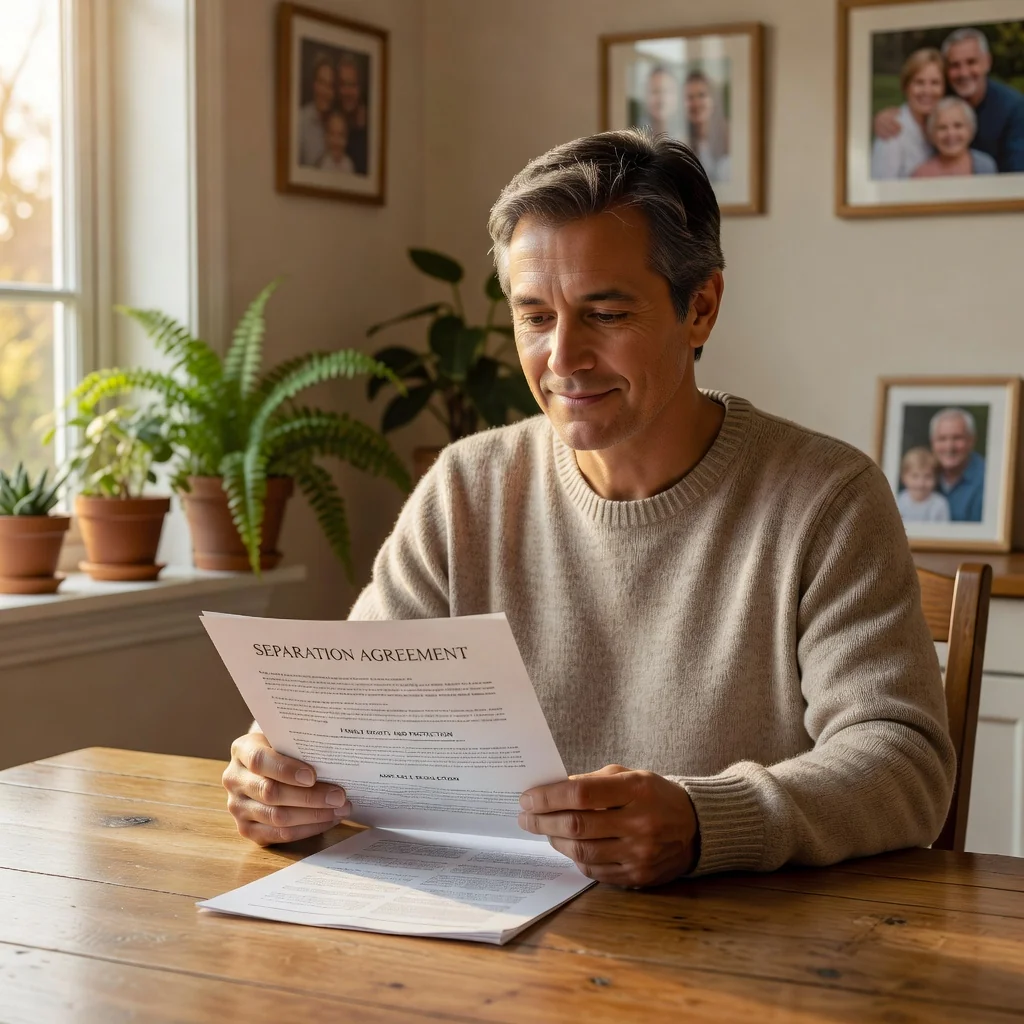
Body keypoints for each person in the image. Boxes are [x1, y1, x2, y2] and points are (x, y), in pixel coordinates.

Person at [222, 129, 954, 886]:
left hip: (741, 939)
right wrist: (282, 780)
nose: (563, 359)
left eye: (605, 315)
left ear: (701, 308)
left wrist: (705, 822)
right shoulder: (465, 488)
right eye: (535, 317)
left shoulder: (829, 499)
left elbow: (906, 765)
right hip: (486, 928)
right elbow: (345, 725)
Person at [874, 27, 1024, 173]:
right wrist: (882, 118)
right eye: (954, 65)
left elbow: (1018, 174)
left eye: (971, 62)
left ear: (987, 62)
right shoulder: (945, 97)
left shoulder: (1014, 108)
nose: (963, 73)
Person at [871, 48, 945, 179]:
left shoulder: (940, 124)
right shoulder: (892, 131)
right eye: (919, 82)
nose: (927, 91)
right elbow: (881, 187)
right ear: (906, 87)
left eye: (935, 83)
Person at [912, 97, 997, 177]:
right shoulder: (921, 174)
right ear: (932, 134)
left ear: (970, 129)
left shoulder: (985, 166)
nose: (951, 133)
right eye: (942, 127)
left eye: (958, 126)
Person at [930, 408, 985, 522]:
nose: (949, 447)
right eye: (942, 439)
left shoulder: (989, 480)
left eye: (957, 438)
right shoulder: (918, 475)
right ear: (932, 442)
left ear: (971, 440)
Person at [684, 70, 731, 183]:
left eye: (701, 95)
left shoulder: (729, 135)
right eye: (690, 97)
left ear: (713, 100)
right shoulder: (680, 141)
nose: (696, 103)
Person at [298, 52, 335, 167]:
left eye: (330, 85)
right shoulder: (300, 121)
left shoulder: (337, 122)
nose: (325, 91)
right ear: (314, 85)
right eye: (322, 83)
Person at [897, 447, 951, 522]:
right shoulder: (898, 501)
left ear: (936, 479)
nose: (921, 483)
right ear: (904, 477)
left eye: (928, 476)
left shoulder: (940, 504)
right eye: (915, 476)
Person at [337, 52, 369, 175]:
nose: (347, 92)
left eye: (352, 85)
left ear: (360, 88)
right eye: (343, 85)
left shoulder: (370, 128)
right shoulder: (332, 122)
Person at [638, 65, 684, 138]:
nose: (661, 99)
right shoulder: (635, 137)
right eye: (655, 91)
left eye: (667, 91)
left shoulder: (687, 137)